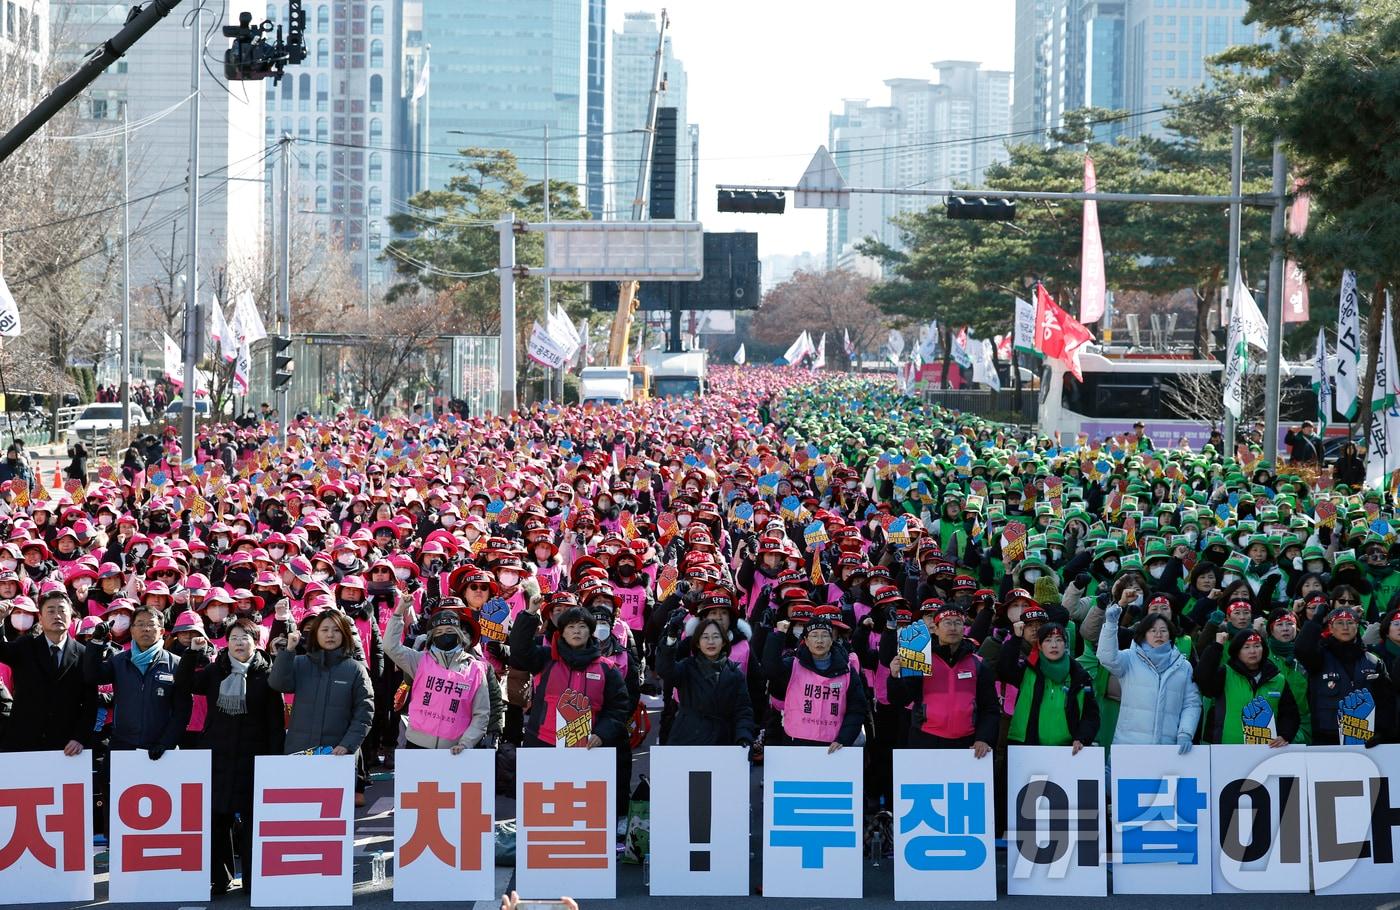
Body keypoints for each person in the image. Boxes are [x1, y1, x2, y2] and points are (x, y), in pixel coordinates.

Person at [176, 620, 285, 898]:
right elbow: (185, 683)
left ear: (255, 642)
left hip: (253, 758)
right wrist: (192, 652)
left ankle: (251, 879)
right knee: (216, 820)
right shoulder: (215, 670)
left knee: (251, 822)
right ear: (227, 642)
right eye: (234, 638)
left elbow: (275, 722)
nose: (238, 643)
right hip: (217, 756)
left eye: (244, 638)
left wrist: (273, 759)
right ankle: (220, 878)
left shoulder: (267, 675)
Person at [509, 601, 631, 749]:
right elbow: (519, 650)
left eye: (582, 626)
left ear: (590, 631)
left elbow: (618, 707)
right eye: (571, 627)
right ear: (562, 632)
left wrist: (602, 733)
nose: (576, 631)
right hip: (542, 742)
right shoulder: (547, 659)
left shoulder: (607, 669)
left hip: (588, 747)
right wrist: (529, 614)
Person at [382, 598, 492, 752]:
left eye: (450, 631)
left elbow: (481, 713)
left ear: (459, 635)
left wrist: (466, 743)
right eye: (438, 632)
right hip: (416, 745)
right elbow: (389, 646)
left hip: (455, 749)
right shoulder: (419, 660)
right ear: (432, 637)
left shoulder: (475, 669)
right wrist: (399, 612)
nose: (444, 635)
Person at [889, 601, 998, 755]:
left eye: (958, 623)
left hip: (967, 743)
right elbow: (901, 699)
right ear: (936, 628)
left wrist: (983, 738)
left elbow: (990, 708)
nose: (953, 628)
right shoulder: (921, 658)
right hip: (925, 739)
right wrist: (895, 678)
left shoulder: (978, 664)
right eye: (947, 623)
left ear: (964, 628)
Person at [82, 604, 190, 756]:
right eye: (140, 624)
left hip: (161, 750)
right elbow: (92, 676)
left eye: (151, 624)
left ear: (161, 631)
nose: (145, 629)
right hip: (122, 746)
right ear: (131, 630)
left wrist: (166, 743)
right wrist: (96, 642)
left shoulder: (177, 665)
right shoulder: (119, 661)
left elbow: (182, 711)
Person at [269, 610, 374, 761]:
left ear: (344, 634)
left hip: (338, 754)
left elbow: (365, 713)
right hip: (299, 751)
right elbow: (278, 684)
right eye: (324, 630)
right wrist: (288, 651)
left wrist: (347, 744)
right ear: (315, 634)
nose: (330, 635)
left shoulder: (355, 670)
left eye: (336, 630)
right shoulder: (300, 662)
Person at [0, 590, 95, 753]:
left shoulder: (84, 654)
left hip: (66, 746)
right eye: (51, 611)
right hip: (23, 742)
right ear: (41, 618)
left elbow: (90, 703)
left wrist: (80, 737)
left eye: (62, 610)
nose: (57, 615)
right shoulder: (25, 646)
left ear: (71, 617)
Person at [1097, 603, 1201, 750]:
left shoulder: (1184, 666)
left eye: (1163, 631)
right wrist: (1111, 625)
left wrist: (1185, 733)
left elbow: (1191, 703)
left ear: (1170, 634)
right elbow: (1106, 657)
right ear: (1144, 634)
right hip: (1129, 747)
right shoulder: (1130, 658)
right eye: (1152, 630)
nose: (1158, 635)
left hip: (1167, 747)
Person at [763, 605, 867, 751]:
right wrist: (779, 635)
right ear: (805, 640)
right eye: (814, 635)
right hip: (795, 742)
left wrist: (844, 738)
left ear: (832, 640)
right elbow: (770, 670)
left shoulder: (847, 671)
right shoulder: (792, 665)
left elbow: (857, 708)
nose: (819, 640)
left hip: (833, 747)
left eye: (825, 635)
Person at [1296, 604, 1394, 745]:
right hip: (1327, 739)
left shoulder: (1373, 661)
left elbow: (1386, 701)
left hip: (1366, 740)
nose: (1345, 627)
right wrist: (1316, 619)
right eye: (1340, 623)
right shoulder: (1319, 657)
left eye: (1350, 623)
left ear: (1357, 626)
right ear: (1330, 628)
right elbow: (1301, 649)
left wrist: (1381, 732)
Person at [656, 613, 757, 747]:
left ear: (724, 642)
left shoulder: (735, 674)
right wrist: (671, 637)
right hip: (687, 739)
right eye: (705, 637)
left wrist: (744, 736)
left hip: (723, 742)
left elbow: (743, 711)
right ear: (697, 643)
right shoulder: (686, 668)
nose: (710, 642)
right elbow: (665, 670)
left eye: (716, 637)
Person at [997, 620, 1099, 751]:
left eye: (1059, 640)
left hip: (1069, 751)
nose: (1054, 645)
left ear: (1065, 644)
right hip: (1027, 749)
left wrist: (1082, 738)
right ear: (1039, 645)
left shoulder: (1080, 676)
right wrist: (1016, 639)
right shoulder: (1027, 670)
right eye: (1048, 640)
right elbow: (1004, 670)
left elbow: (1090, 714)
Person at [1195, 627, 1303, 746]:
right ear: (1237, 651)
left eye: (1257, 646)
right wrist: (1217, 646)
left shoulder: (1278, 679)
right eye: (1246, 647)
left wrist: (1285, 735)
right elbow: (1202, 679)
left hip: (1267, 752)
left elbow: (1290, 714)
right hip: (1226, 749)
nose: (1253, 651)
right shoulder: (1225, 674)